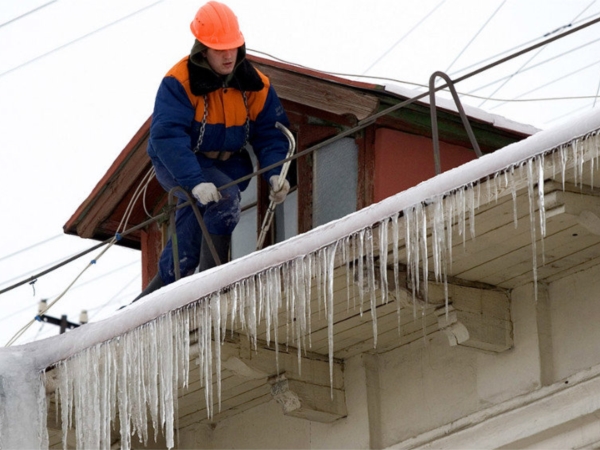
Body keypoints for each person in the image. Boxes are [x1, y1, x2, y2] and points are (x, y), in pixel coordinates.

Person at [135, 1, 291, 300]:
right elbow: (167, 137)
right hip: (180, 162)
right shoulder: (178, 82)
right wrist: (194, 181)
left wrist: (275, 173)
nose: (228, 54)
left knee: (186, 251)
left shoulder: (256, 85)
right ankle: (212, 287)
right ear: (202, 48)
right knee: (224, 197)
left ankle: (142, 308)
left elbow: (271, 135)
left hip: (228, 164)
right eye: (220, 49)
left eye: (233, 46)